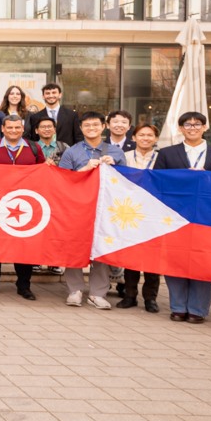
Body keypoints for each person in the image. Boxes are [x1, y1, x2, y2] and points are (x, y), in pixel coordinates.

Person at [153, 111, 211, 323]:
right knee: (175, 260)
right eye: (187, 125)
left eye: (197, 124)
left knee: (203, 260)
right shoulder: (167, 153)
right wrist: (182, 178)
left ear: (205, 127)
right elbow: (157, 183)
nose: (192, 128)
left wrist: (205, 179)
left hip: (208, 216)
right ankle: (178, 307)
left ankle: (198, 309)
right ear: (180, 128)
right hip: (176, 215)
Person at [59, 112, 127, 309]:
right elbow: (63, 181)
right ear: (81, 128)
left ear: (103, 126)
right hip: (77, 208)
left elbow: (126, 181)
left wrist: (115, 167)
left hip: (106, 208)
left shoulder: (115, 152)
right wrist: (84, 169)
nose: (91, 128)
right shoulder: (72, 152)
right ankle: (75, 290)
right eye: (87, 125)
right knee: (74, 247)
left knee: (101, 248)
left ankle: (98, 293)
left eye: (95, 125)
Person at [0, 115, 43, 300]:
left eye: (17, 127)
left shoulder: (34, 148)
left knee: (24, 247)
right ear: (3, 129)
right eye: (10, 127)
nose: (13, 131)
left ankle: (24, 286)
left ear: (22, 129)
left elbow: (43, 173)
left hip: (25, 205)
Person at [116, 123, 161, 313]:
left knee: (153, 257)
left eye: (150, 135)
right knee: (131, 255)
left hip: (155, 212)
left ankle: (150, 298)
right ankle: (130, 295)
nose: (145, 138)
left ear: (156, 139)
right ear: (133, 138)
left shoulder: (162, 158)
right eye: (141, 135)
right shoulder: (124, 157)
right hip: (130, 211)